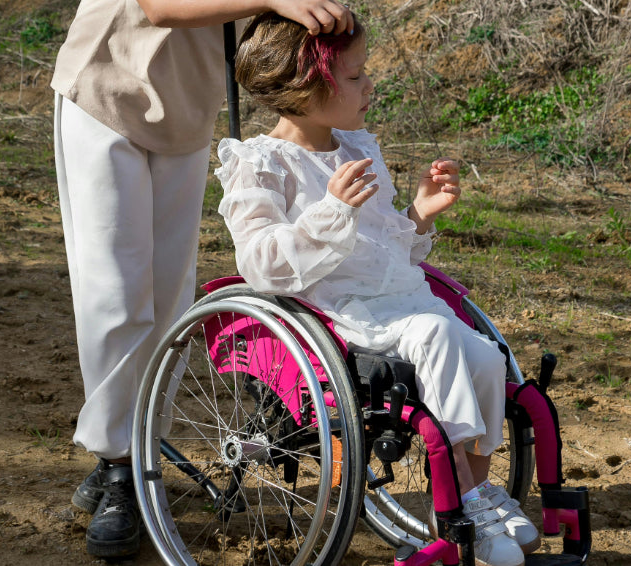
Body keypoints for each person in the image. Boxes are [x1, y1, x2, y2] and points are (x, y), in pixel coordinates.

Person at [214, 11, 540, 566]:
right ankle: (459, 498)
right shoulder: (262, 163)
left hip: (401, 298)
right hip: (340, 313)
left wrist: (417, 215)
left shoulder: (354, 145)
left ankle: (474, 494)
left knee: (486, 356)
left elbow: (383, 247)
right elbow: (262, 263)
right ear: (307, 86)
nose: (370, 86)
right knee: (438, 337)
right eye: (357, 75)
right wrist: (331, 212)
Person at [49, 0, 355, 559]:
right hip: (106, 83)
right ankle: (121, 468)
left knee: (168, 298)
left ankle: (137, 445)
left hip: (188, 101)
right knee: (115, 294)